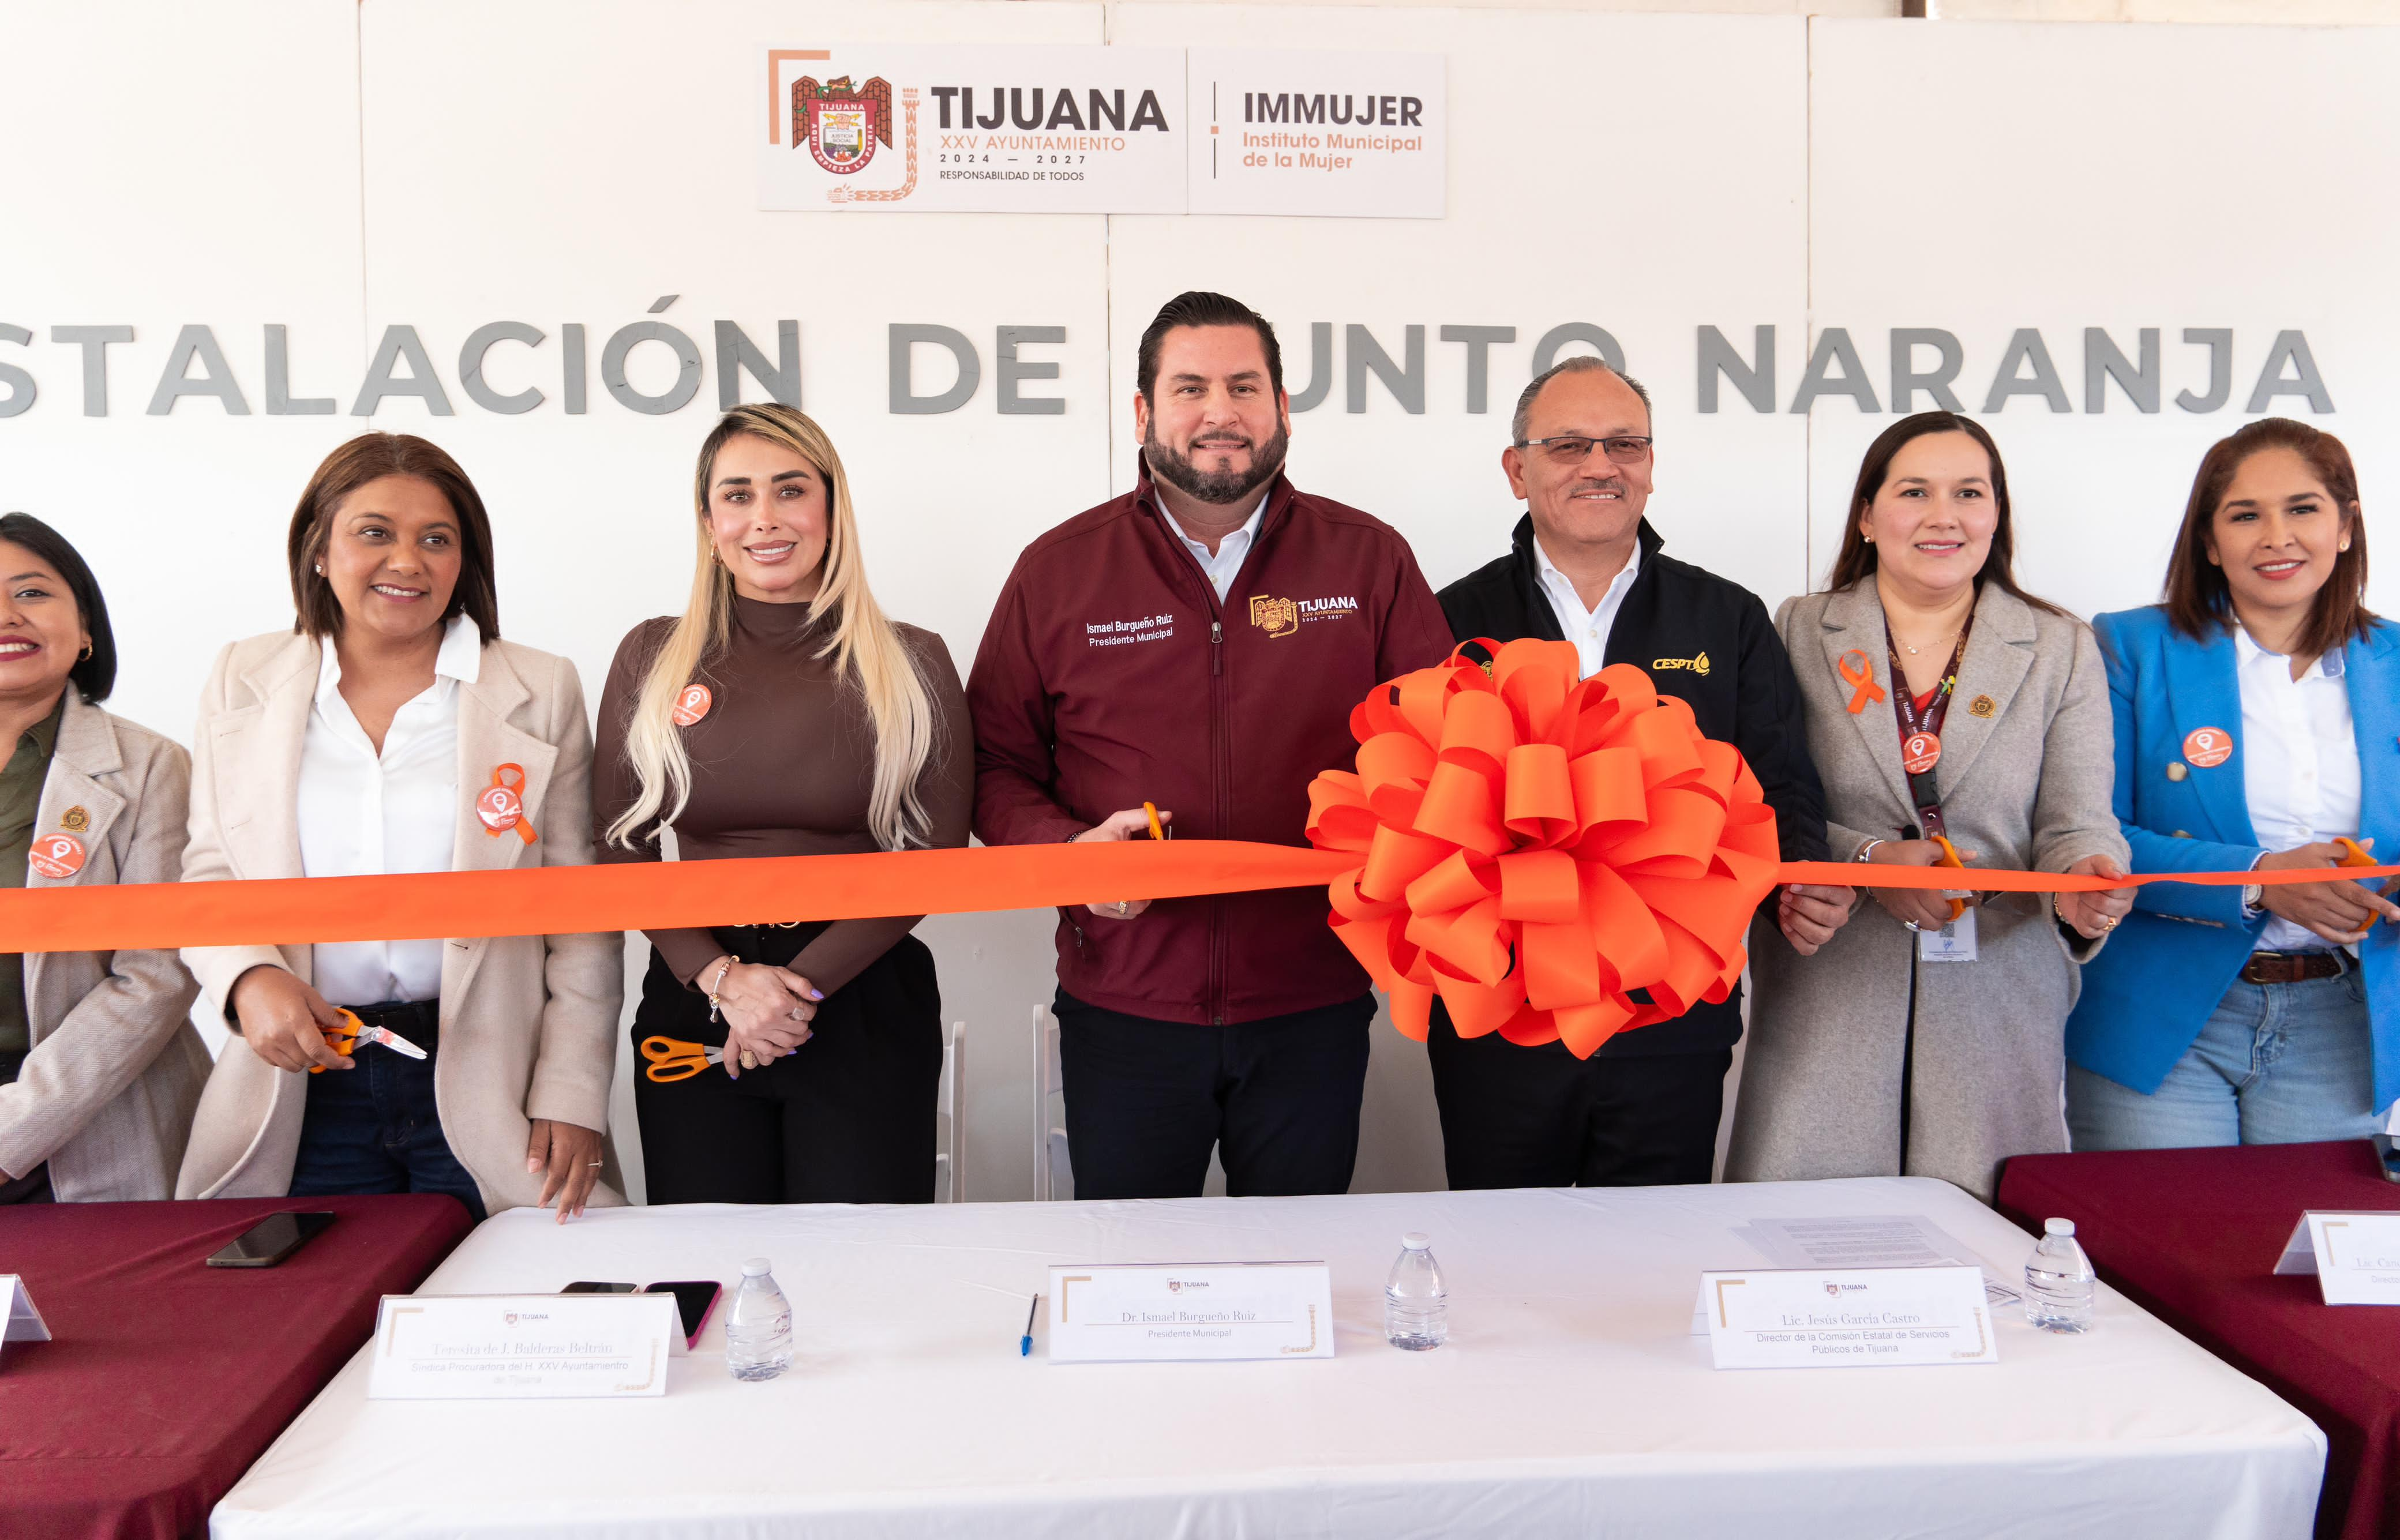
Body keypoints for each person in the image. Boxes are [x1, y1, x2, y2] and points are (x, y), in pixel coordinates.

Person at [969, 290, 1452, 1200]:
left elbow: (1448, 751)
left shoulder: (1368, 561)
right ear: (1145, 412)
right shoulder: (1059, 571)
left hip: (1314, 1003)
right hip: (1126, 1012)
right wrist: (1069, 854)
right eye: (1190, 388)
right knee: (1135, 1283)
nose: (1221, 412)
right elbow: (993, 766)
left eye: (1245, 386)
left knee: (1302, 1278)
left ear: (1282, 412)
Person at [178, 434, 621, 1221]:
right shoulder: (242, 678)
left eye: (436, 539)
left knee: (511, 1322)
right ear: (319, 549)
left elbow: (580, 916)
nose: (407, 561)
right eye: (374, 531)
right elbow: (212, 870)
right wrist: (249, 978)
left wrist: (573, 1089)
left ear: (465, 561)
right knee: (309, 1325)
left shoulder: (539, 687)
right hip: (306, 1082)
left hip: (492, 1081)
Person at [1429, 356, 1842, 1189]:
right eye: (1569, 445)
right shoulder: (1449, 618)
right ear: (1518, 470)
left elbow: (1780, 783)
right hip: (1502, 1016)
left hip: (1673, 1012)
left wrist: (1800, 883)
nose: (1600, 466)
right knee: (1505, 1267)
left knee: (1659, 1269)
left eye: (1625, 445)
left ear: (1650, 467)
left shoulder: (1726, 616)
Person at [1726, 411, 2133, 1201]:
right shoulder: (1799, 629)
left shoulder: (2059, 645)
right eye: (1915, 491)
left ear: (1996, 516)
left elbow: (2077, 818)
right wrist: (1869, 862)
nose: (1944, 515)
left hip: (1998, 993)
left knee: (1987, 1265)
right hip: (1832, 984)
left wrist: (2089, 875)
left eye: (1969, 493)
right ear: (1869, 517)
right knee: (1807, 1254)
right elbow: (1761, 799)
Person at [595, 403, 970, 1205]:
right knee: (708, 1274)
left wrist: (791, 992)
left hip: (863, 993)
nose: (763, 519)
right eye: (737, 495)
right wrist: (723, 977)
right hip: (696, 992)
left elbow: (935, 858)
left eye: (790, 490)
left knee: (862, 1276)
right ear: (707, 521)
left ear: (831, 509)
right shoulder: (652, 655)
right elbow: (615, 847)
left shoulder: (914, 660)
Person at [2068, 418, 2400, 1148]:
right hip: (2162, 1017)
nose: (2275, 536)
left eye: (2302, 509)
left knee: (2299, 1257)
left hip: (2345, 1021)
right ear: (2210, 543)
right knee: (2153, 1255)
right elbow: (2089, 832)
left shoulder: (2396, 664)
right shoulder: (2129, 648)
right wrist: (2257, 880)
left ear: (2345, 527)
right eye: (2244, 515)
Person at [0, 513, 208, 1202]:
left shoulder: (153, 767)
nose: (8, 615)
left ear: (85, 629)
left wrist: (11, 1132)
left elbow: (156, 976)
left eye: (31, 593)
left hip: (97, 1114)